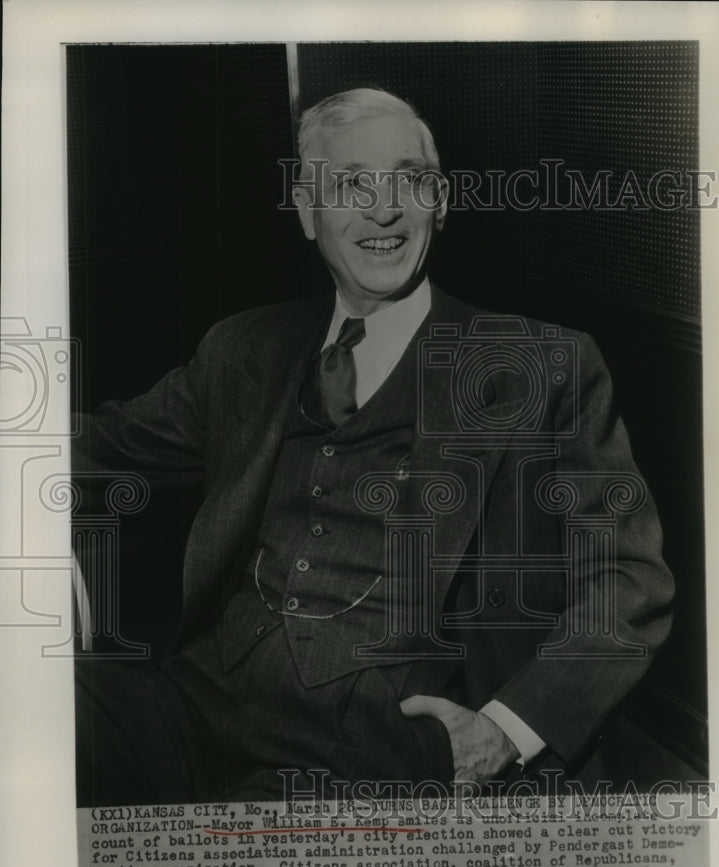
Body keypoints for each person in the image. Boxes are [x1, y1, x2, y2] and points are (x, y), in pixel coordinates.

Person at [73, 88, 674, 806]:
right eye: (351, 183)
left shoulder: (540, 365)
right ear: (306, 209)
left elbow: (629, 582)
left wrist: (503, 734)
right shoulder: (243, 350)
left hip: (382, 750)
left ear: (440, 202)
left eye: (411, 181)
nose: (383, 210)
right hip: (197, 702)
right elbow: (97, 449)